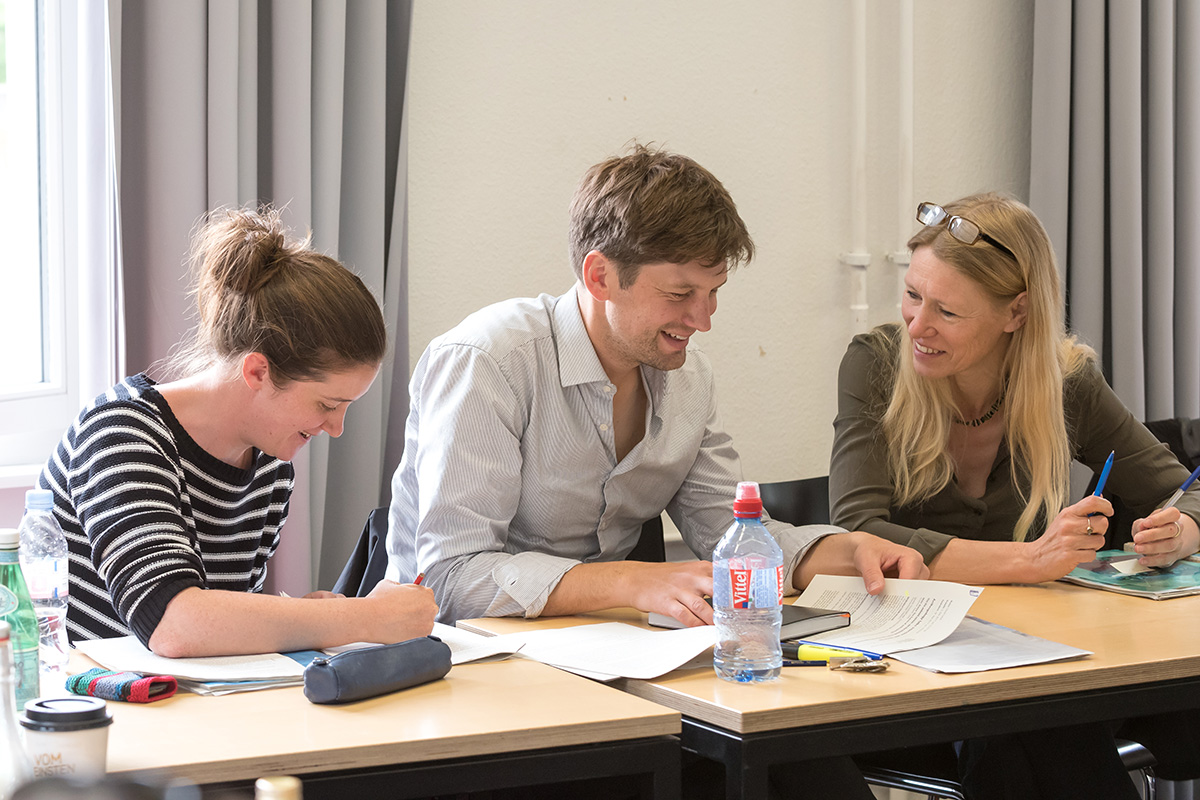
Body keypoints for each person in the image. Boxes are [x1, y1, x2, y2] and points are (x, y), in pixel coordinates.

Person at [386, 143, 928, 799]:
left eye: (714, 292)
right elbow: (448, 578)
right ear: (599, 275)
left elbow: (724, 531)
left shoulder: (687, 378)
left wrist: (835, 550)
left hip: (619, 669)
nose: (703, 320)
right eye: (680, 294)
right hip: (482, 681)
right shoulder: (489, 360)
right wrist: (633, 582)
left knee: (815, 772)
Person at [829, 192, 1200, 798]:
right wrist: (1030, 561)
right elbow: (856, 532)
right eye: (914, 296)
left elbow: (1184, 491)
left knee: (1034, 718)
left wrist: (1180, 530)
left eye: (947, 311)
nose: (917, 326)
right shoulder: (876, 365)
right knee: (1038, 721)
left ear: (1017, 312)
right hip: (902, 667)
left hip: (1034, 660)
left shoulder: (1065, 381)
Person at [39, 207, 437, 658]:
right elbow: (173, 623)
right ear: (257, 371)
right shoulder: (121, 433)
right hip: (90, 708)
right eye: (327, 404)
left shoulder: (269, 468)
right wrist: (364, 618)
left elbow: (214, 625)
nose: (336, 428)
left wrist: (303, 620)